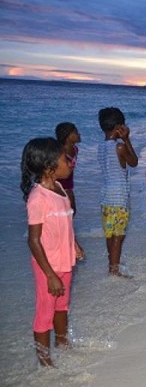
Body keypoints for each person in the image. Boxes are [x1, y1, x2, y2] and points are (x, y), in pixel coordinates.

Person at [21, 137, 84, 366]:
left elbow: (65, 223)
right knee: (44, 313)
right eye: (64, 159)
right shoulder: (38, 198)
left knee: (62, 305)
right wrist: (50, 275)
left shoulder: (59, 189)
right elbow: (34, 240)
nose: (70, 162)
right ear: (49, 168)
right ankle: (44, 360)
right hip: (48, 266)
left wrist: (74, 245)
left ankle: (62, 342)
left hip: (65, 262)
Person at [98, 107, 138, 277]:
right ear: (119, 127)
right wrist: (127, 139)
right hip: (119, 198)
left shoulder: (101, 146)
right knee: (118, 236)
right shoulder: (120, 147)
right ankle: (114, 269)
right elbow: (134, 162)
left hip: (106, 197)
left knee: (110, 234)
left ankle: (112, 264)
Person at [55, 122, 85, 257]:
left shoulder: (75, 149)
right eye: (76, 132)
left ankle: (68, 242)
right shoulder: (59, 153)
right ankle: (67, 245)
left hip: (69, 187)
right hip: (60, 189)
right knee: (65, 216)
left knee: (72, 213)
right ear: (67, 137)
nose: (79, 134)